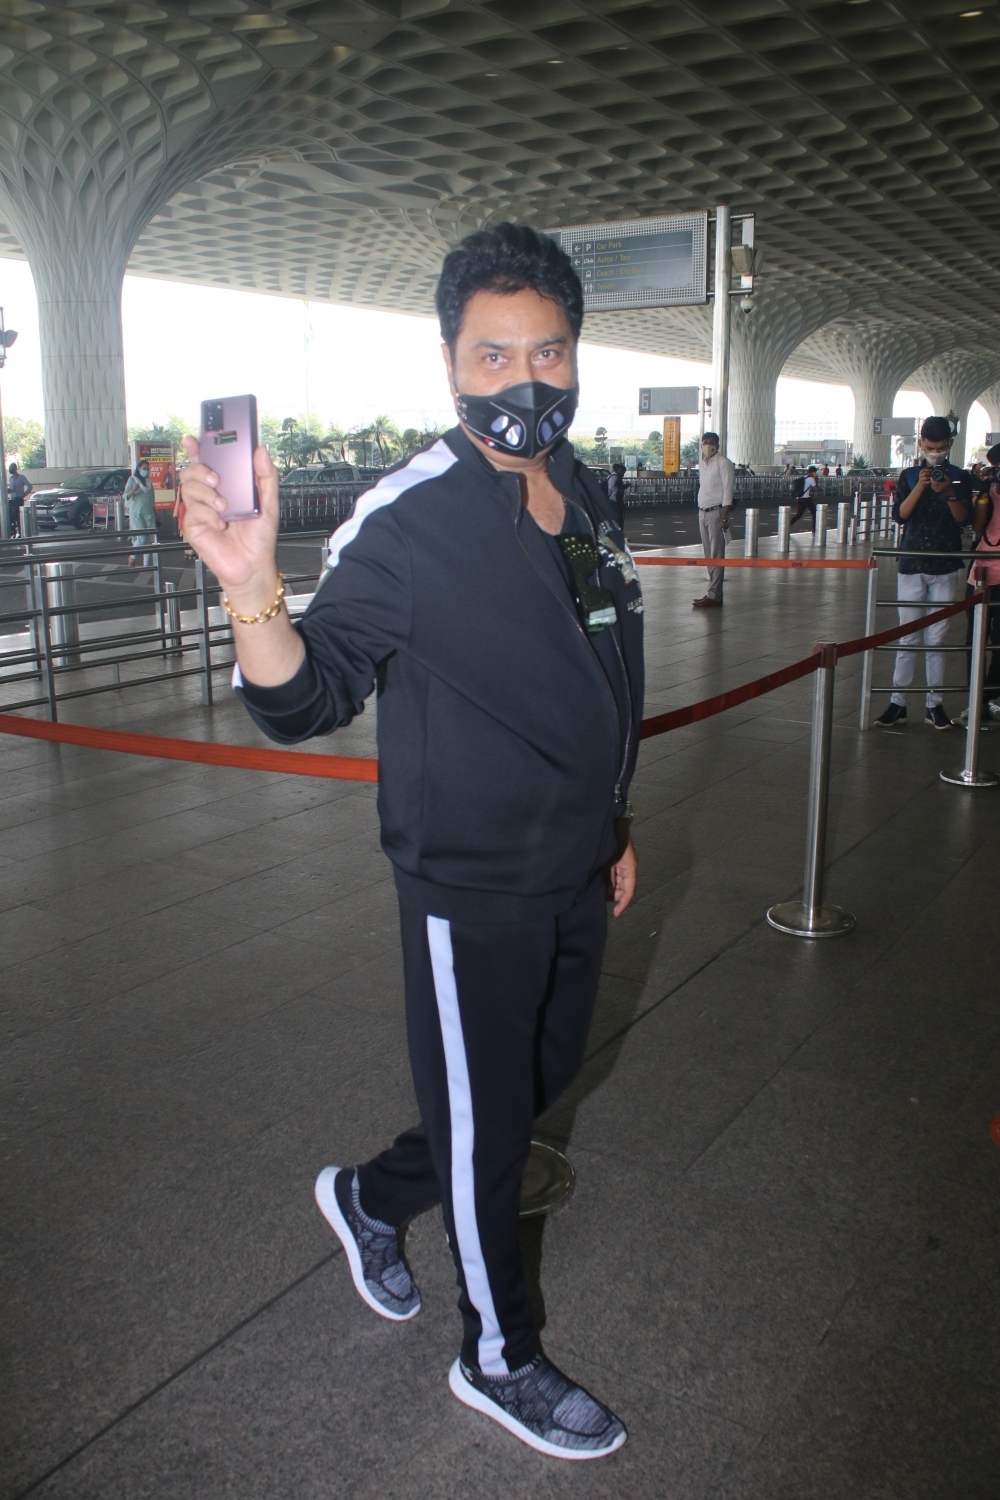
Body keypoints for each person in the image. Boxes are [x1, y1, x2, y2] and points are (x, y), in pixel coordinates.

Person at [179, 224, 642, 1461]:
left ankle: (370, 1196)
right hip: (468, 881)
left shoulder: (581, 486)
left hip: (572, 861)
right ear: (448, 362)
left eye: (547, 350)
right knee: (492, 1127)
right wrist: (247, 587)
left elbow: (603, 659)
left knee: (530, 1089)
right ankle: (498, 1355)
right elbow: (303, 695)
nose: (524, 379)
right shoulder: (407, 517)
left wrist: (614, 819)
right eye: (493, 355)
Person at [875, 415, 972, 729]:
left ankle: (935, 705)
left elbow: (963, 520)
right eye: (930, 447)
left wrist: (947, 492)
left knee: (937, 638)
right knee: (907, 636)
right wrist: (921, 486)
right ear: (920, 444)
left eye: (941, 447)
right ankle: (898, 702)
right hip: (911, 563)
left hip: (945, 565)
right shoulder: (909, 475)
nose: (935, 453)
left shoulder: (960, 476)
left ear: (950, 445)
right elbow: (900, 516)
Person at [962, 441, 1000, 720]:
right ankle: (975, 695)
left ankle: (989, 695)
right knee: (974, 638)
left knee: (999, 642)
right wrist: (986, 493)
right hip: (980, 575)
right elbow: (977, 527)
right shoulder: (987, 496)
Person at [693, 430, 734, 608]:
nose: (707, 445)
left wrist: (725, 516)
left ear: (717, 445)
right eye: (704, 442)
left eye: (710, 442)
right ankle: (711, 591)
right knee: (708, 554)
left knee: (717, 554)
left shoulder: (724, 463)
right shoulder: (702, 463)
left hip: (717, 512)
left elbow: (728, 490)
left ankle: (715, 594)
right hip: (702, 511)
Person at [123, 461, 156, 567]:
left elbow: (152, 499)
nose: (146, 471)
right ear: (139, 468)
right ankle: (132, 557)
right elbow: (125, 496)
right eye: (144, 468)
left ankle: (146, 564)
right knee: (142, 538)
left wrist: (156, 513)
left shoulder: (149, 482)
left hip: (149, 514)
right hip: (137, 513)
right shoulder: (133, 480)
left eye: (148, 469)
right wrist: (134, 489)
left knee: (148, 540)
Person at [7, 462, 31, 536]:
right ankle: (12, 531)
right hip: (12, 499)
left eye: (12, 468)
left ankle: (21, 532)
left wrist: (24, 495)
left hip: (19, 499)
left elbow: (29, 486)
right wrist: (9, 491)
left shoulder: (21, 477)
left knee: (18, 516)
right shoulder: (10, 479)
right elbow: (11, 489)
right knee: (11, 516)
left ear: (15, 468)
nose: (10, 470)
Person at [606, 461, 628, 526]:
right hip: (613, 499)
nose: (623, 474)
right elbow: (611, 487)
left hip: (614, 498)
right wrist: (618, 491)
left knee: (619, 516)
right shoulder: (614, 477)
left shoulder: (614, 476)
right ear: (619, 470)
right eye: (623, 472)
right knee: (618, 516)